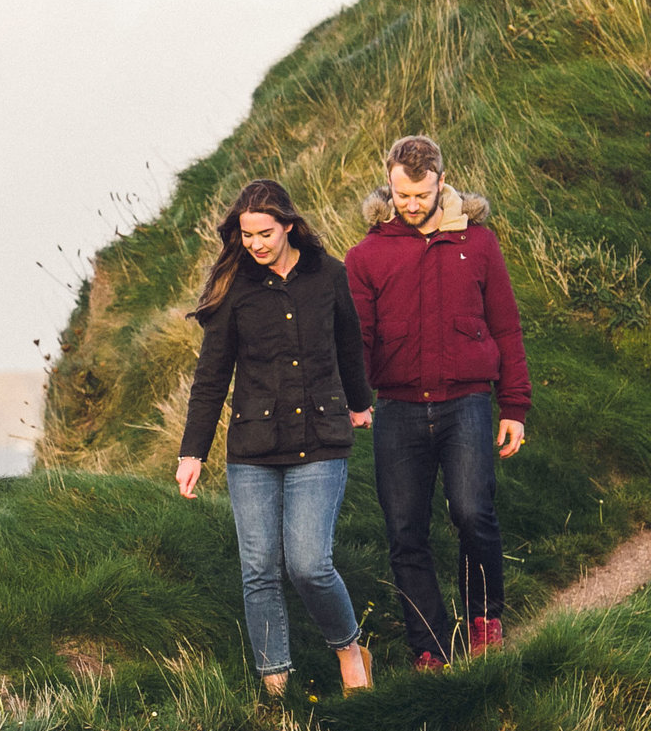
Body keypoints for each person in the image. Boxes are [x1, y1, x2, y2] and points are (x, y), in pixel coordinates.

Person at [175, 180, 377, 699]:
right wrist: (191, 451)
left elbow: (349, 346)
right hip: (253, 448)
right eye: (246, 236)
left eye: (265, 233)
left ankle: (349, 647)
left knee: (309, 564)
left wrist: (359, 404)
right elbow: (212, 376)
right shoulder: (233, 288)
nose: (256, 244)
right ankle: (276, 686)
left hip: (321, 438)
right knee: (259, 569)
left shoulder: (328, 275)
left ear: (288, 225)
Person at [346, 135, 530, 671]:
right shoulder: (366, 255)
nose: (411, 204)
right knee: (405, 531)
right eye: (402, 195)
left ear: (442, 183)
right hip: (397, 411)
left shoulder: (480, 244)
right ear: (390, 185)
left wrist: (514, 408)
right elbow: (357, 337)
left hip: (466, 403)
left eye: (421, 194)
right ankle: (429, 645)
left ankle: (484, 620)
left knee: (473, 513)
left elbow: (507, 329)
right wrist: (357, 398)